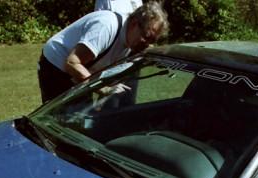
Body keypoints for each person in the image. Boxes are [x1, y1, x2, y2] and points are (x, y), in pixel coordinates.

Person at [38, 1, 168, 103]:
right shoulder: (106, 27)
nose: (147, 44)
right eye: (146, 36)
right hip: (55, 66)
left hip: (80, 70)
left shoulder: (131, 39)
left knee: (80, 119)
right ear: (134, 23)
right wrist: (104, 89)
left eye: (152, 40)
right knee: (61, 119)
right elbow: (72, 63)